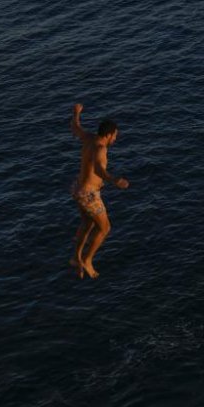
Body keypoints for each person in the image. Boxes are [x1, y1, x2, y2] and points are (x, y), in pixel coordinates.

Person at [70, 103, 130, 279]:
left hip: (77, 189)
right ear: (109, 134)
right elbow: (98, 169)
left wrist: (76, 113)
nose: (115, 139)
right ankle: (88, 260)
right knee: (105, 228)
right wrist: (114, 180)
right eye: (115, 136)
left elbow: (75, 128)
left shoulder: (89, 138)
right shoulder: (101, 148)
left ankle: (76, 258)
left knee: (87, 224)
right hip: (89, 194)